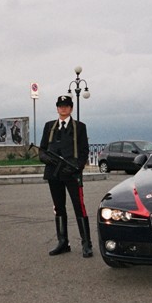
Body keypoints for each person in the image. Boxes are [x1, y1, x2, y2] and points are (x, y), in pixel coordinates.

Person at [38, 95, 93, 258]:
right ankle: (63, 242)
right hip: (54, 173)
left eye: (66, 106)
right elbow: (42, 149)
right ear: (57, 108)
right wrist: (46, 158)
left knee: (79, 206)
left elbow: (84, 151)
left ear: (71, 108)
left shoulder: (80, 127)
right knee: (58, 207)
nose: (63, 108)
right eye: (60, 106)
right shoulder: (49, 126)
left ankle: (86, 243)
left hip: (72, 173)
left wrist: (77, 166)